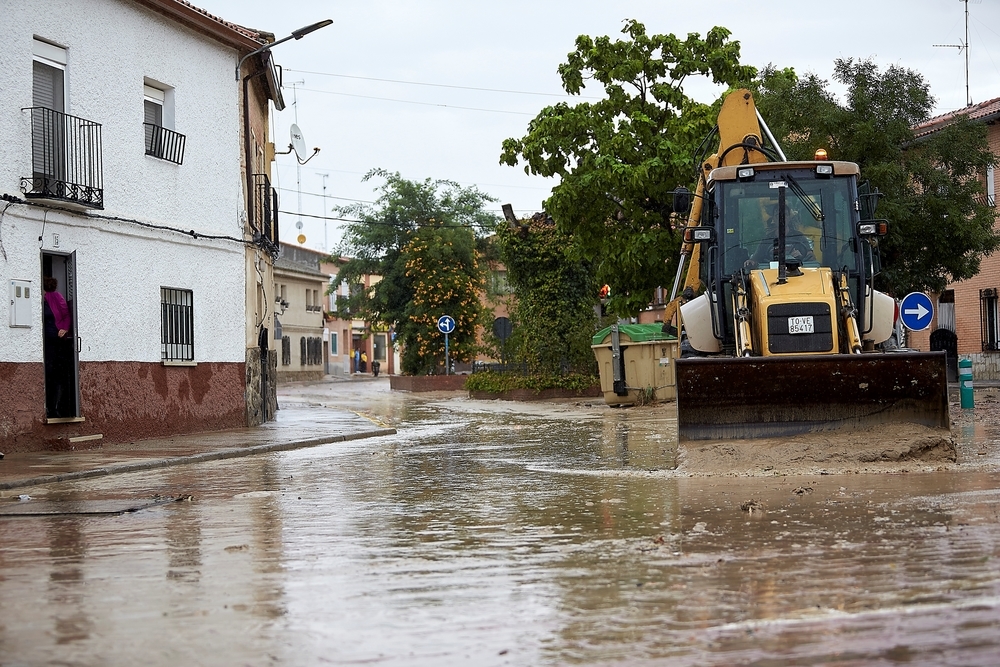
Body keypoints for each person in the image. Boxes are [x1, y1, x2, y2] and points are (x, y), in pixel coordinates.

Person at [43, 277, 72, 417]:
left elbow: (66, 315)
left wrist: (65, 328)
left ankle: (55, 408)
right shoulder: (40, 300)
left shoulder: (55, 297)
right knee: (47, 374)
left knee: (55, 375)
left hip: (56, 341)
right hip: (44, 343)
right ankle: (48, 408)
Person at [751, 209, 816, 266]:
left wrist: (800, 257)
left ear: (789, 218)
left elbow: (811, 257)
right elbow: (755, 258)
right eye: (777, 215)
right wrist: (751, 262)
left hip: (796, 272)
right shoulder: (767, 239)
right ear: (773, 218)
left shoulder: (799, 236)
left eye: (785, 215)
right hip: (771, 273)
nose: (782, 217)